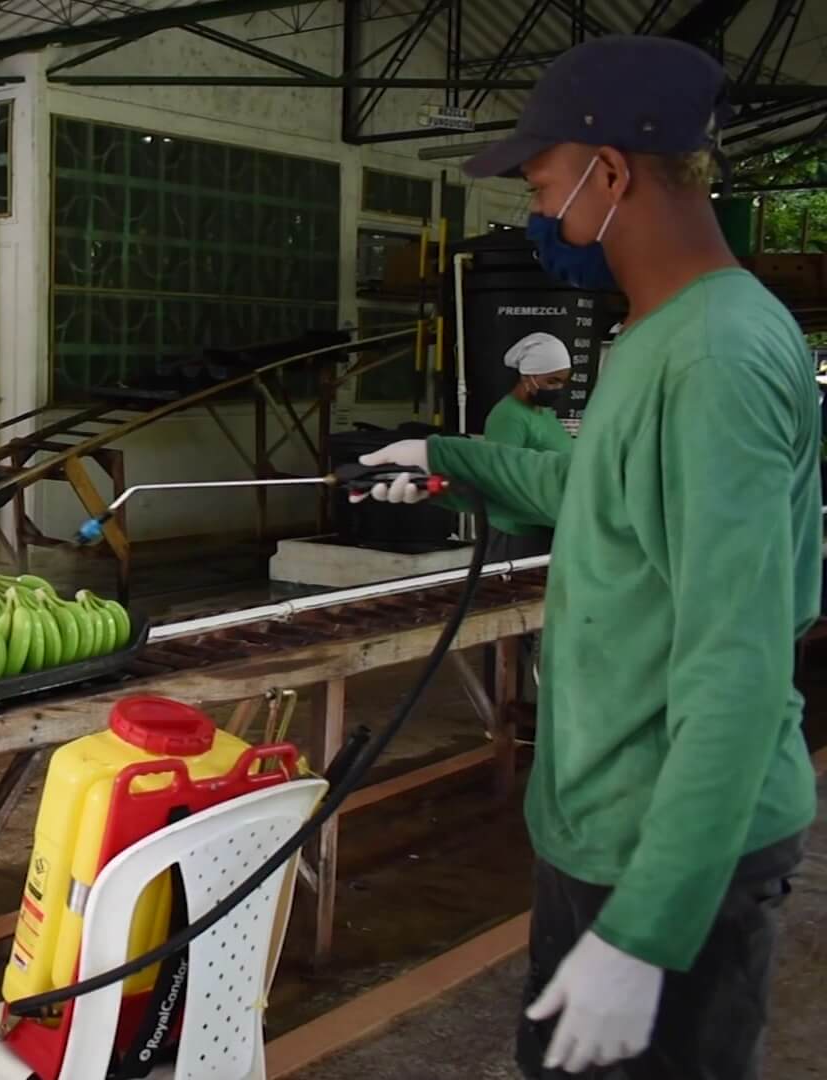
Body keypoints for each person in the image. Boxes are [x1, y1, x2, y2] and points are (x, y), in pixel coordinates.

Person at [357, 36, 815, 1078]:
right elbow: (596, 494)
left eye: (543, 181)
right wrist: (451, 457)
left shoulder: (717, 359)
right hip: (608, 823)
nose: (539, 213)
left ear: (611, 173)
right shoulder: (659, 332)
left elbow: (738, 664)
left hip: (672, 839)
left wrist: (648, 929)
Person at [483, 331, 576, 561]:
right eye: (552, 381)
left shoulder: (543, 413)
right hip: (517, 532)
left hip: (545, 524)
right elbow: (501, 476)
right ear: (528, 377)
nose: (558, 388)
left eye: (563, 381)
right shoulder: (509, 416)